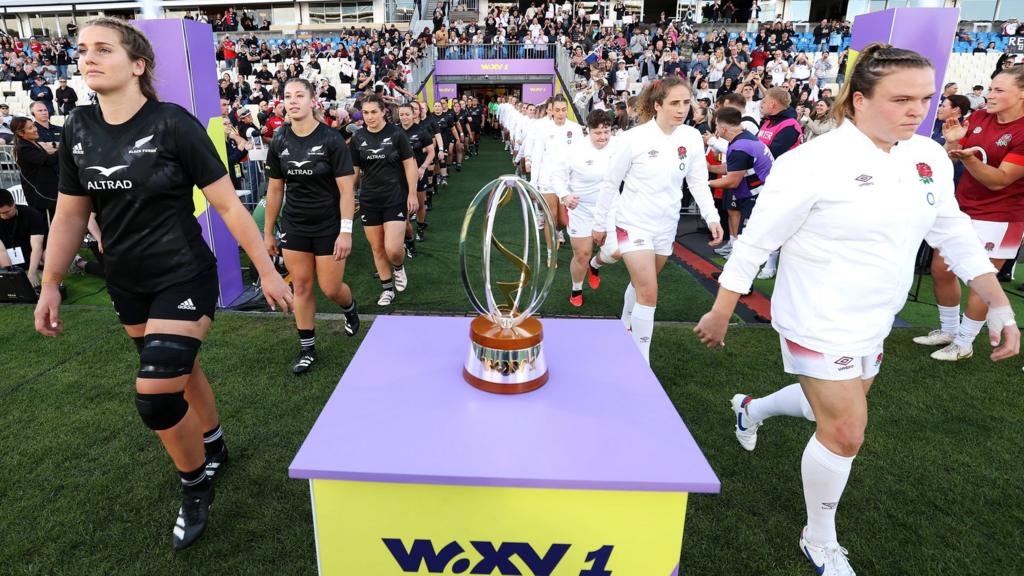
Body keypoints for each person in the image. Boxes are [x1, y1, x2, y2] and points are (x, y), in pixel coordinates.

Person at [694, 44, 1019, 576]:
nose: (917, 110)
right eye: (901, 99)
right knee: (846, 431)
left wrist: (1000, 305)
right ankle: (818, 538)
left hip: (876, 317)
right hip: (816, 317)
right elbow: (756, 241)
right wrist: (723, 307)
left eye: (925, 98)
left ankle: (749, 408)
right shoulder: (812, 163)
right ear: (859, 100)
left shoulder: (929, 156)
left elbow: (953, 231)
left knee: (829, 408)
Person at [34, 18, 292, 551]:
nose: (88, 57)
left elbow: (225, 203)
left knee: (154, 395)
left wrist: (266, 269)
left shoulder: (174, 124)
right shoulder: (77, 129)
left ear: (138, 64)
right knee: (182, 369)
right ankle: (214, 442)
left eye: (103, 48)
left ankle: (195, 486)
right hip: (127, 282)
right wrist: (51, 282)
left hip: (183, 272)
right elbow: (68, 216)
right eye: (82, 49)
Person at [592, 76, 724, 363]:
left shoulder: (690, 137)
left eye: (686, 102)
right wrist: (599, 223)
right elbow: (610, 183)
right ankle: (642, 362)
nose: (682, 109)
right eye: (674, 103)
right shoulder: (633, 138)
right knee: (649, 293)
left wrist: (711, 216)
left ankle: (626, 324)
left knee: (641, 285)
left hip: (666, 226)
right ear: (657, 105)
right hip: (632, 223)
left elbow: (698, 181)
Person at [915, 65, 1024, 361]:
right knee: (941, 268)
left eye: (999, 90)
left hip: (1001, 215)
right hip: (963, 207)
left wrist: (968, 157)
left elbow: (999, 179)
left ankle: (964, 342)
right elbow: (956, 151)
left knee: (980, 279)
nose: (989, 95)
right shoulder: (979, 116)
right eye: (990, 88)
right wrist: (953, 142)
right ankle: (949, 330)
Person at [264, 78, 359, 375]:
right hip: (295, 224)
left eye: (299, 96)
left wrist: (346, 231)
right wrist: (268, 231)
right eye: (288, 96)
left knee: (331, 288)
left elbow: (346, 190)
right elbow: (275, 189)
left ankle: (350, 307)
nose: (292, 101)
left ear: (312, 100)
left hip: (329, 224)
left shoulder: (331, 140)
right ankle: (307, 348)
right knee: (302, 286)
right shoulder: (279, 140)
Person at [350, 95, 418, 306]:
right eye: (366, 113)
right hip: (369, 199)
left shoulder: (396, 134)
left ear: (384, 112)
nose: (369, 117)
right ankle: (387, 289)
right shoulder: (357, 138)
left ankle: (398, 267)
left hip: (395, 197)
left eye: (373, 112)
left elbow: (409, 164)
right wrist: (348, 193)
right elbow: (354, 170)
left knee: (393, 249)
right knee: (377, 248)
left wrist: (412, 193)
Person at [552, 110, 618, 307]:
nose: (603, 137)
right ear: (588, 131)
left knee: (616, 252)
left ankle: (595, 265)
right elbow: (557, 176)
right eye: (598, 132)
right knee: (582, 254)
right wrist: (565, 195)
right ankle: (576, 288)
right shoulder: (574, 150)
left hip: (611, 206)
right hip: (581, 208)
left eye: (607, 131)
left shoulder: (619, 146)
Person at [399, 102, 435, 253]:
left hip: (419, 173)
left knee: (419, 204)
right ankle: (406, 236)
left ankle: (420, 227)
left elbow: (431, 152)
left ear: (414, 114)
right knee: (401, 207)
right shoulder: (395, 132)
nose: (404, 117)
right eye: (401, 115)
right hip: (400, 175)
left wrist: (423, 168)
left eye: (407, 114)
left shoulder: (422, 131)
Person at [12, 116, 60, 223]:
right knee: (48, 226)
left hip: (49, 191)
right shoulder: (24, 148)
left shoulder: (33, 143)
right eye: (30, 128)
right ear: (20, 133)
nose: (35, 129)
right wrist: (64, 149)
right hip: (41, 196)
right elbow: (48, 160)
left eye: (33, 126)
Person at [0, 189, 47, 287]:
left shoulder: (31, 214)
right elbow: (1, 251)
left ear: (14, 205)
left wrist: (31, 274)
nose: (2, 215)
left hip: (32, 252)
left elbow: (37, 247)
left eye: (6, 212)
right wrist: (11, 276)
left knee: (48, 255)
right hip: (10, 254)